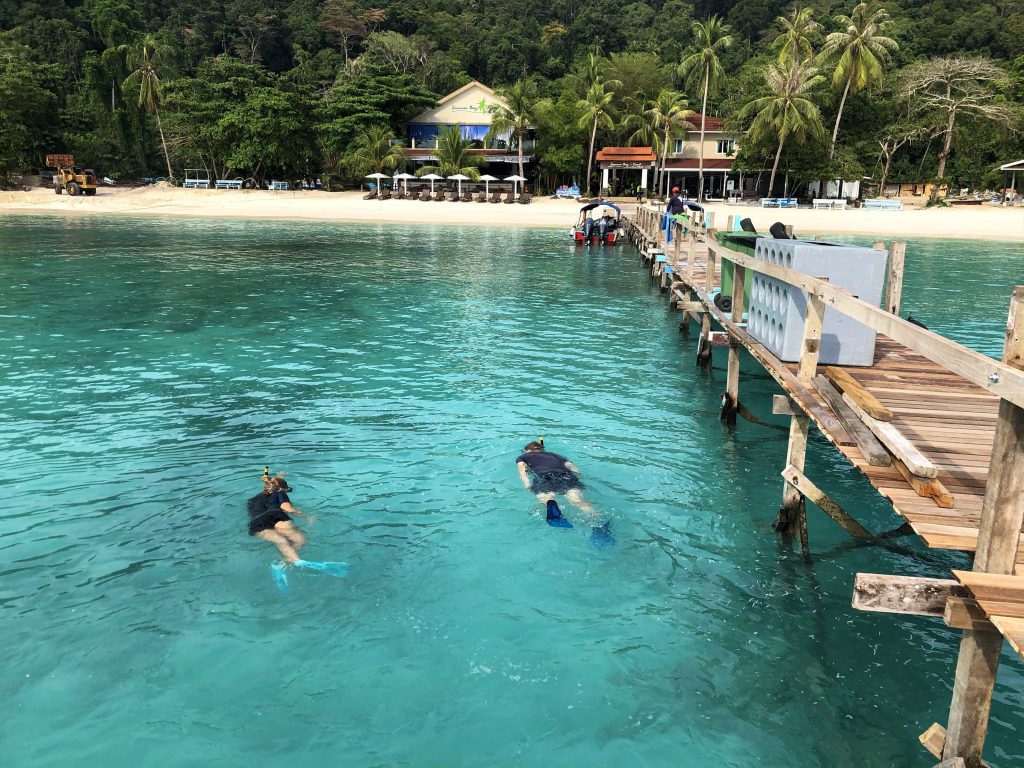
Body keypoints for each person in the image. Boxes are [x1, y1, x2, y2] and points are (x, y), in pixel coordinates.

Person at [247, 474, 314, 563]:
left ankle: (292, 559)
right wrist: (306, 516)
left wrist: (279, 476)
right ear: (282, 489)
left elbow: (274, 484)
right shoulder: (280, 493)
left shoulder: (253, 499)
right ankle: (291, 560)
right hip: (276, 515)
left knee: (281, 541)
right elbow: (286, 508)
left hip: (256, 523)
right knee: (299, 539)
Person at [516, 441, 595, 515]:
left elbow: (521, 468)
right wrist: (577, 477)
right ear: (542, 450)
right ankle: (596, 517)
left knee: (546, 497)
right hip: (566, 476)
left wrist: (527, 484)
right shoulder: (555, 455)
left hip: (545, 477)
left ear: (528, 450)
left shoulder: (524, 456)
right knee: (577, 500)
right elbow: (571, 466)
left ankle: (553, 507)